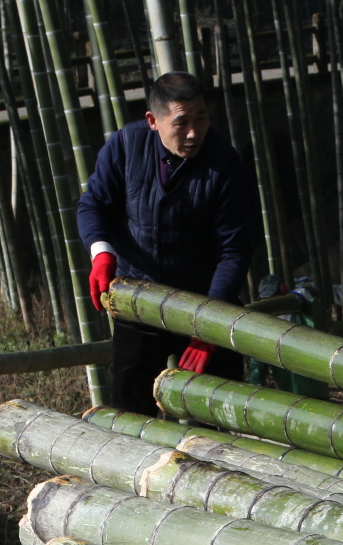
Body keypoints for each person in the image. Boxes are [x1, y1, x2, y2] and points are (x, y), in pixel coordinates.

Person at [78, 70, 257, 416]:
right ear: (153, 121)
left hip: (203, 299)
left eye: (201, 118)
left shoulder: (226, 165)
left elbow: (233, 250)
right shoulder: (126, 146)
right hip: (138, 297)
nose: (193, 132)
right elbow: (93, 204)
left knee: (214, 414)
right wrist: (101, 254)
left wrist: (210, 327)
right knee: (131, 413)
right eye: (181, 122)